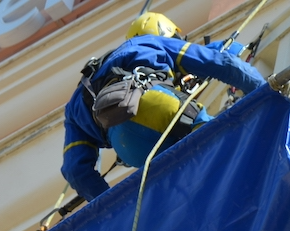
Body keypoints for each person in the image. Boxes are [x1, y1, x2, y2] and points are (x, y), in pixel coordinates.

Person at [60, 13, 266, 200]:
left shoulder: (74, 104)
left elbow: (75, 171)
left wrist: (109, 209)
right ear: (166, 33)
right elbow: (222, 63)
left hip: (128, 148)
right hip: (154, 104)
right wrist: (267, 92)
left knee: (193, 183)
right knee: (222, 142)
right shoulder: (149, 42)